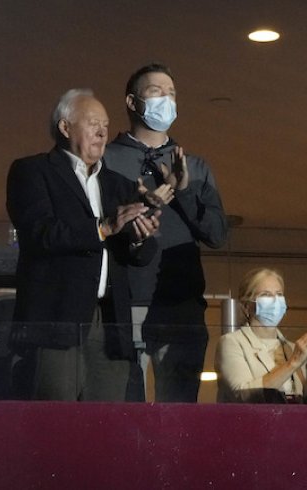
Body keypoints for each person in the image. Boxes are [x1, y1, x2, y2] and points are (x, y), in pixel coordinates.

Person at [6, 89, 161, 401]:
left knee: (105, 428)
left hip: (110, 322)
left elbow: (140, 255)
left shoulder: (121, 185)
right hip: (57, 320)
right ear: (65, 128)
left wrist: (141, 237)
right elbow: (40, 233)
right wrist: (102, 227)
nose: (103, 132)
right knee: (55, 425)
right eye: (93, 124)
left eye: (105, 124)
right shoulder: (32, 172)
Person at [103, 63, 228, 402]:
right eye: (156, 92)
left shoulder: (195, 166)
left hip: (181, 305)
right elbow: (99, 225)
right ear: (132, 102)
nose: (166, 100)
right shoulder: (106, 160)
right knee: (125, 415)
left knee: (177, 421)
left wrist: (185, 189)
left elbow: (217, 234)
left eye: (171, 94)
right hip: (124, 303)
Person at [215, 268, 307, 403]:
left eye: (279, 294)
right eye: (266, 295)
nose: (275, 301)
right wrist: (293, 363)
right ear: (247, 306)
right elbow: (243, 394)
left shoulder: (292, 348)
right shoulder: (232, 342)